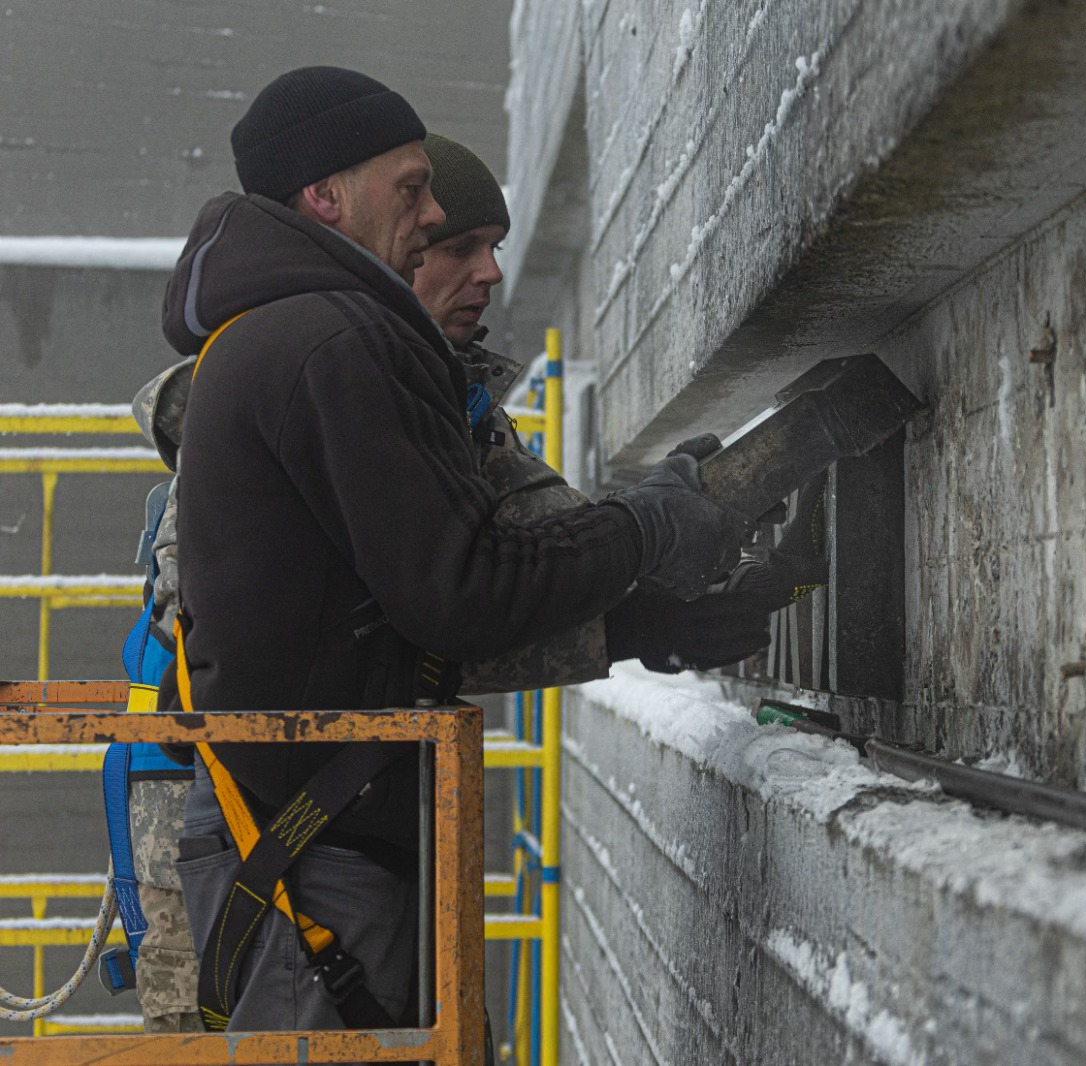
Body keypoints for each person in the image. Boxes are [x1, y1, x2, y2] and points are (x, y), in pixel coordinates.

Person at [149, 66, 765, 1036]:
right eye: (414, 193)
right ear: (325, 195)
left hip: (316, 831)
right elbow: (459, 589)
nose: (432, 217)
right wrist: (646, 531)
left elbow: (391, 613)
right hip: (312, 844)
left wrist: (632, 618)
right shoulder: (329, 343)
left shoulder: (287, 335)